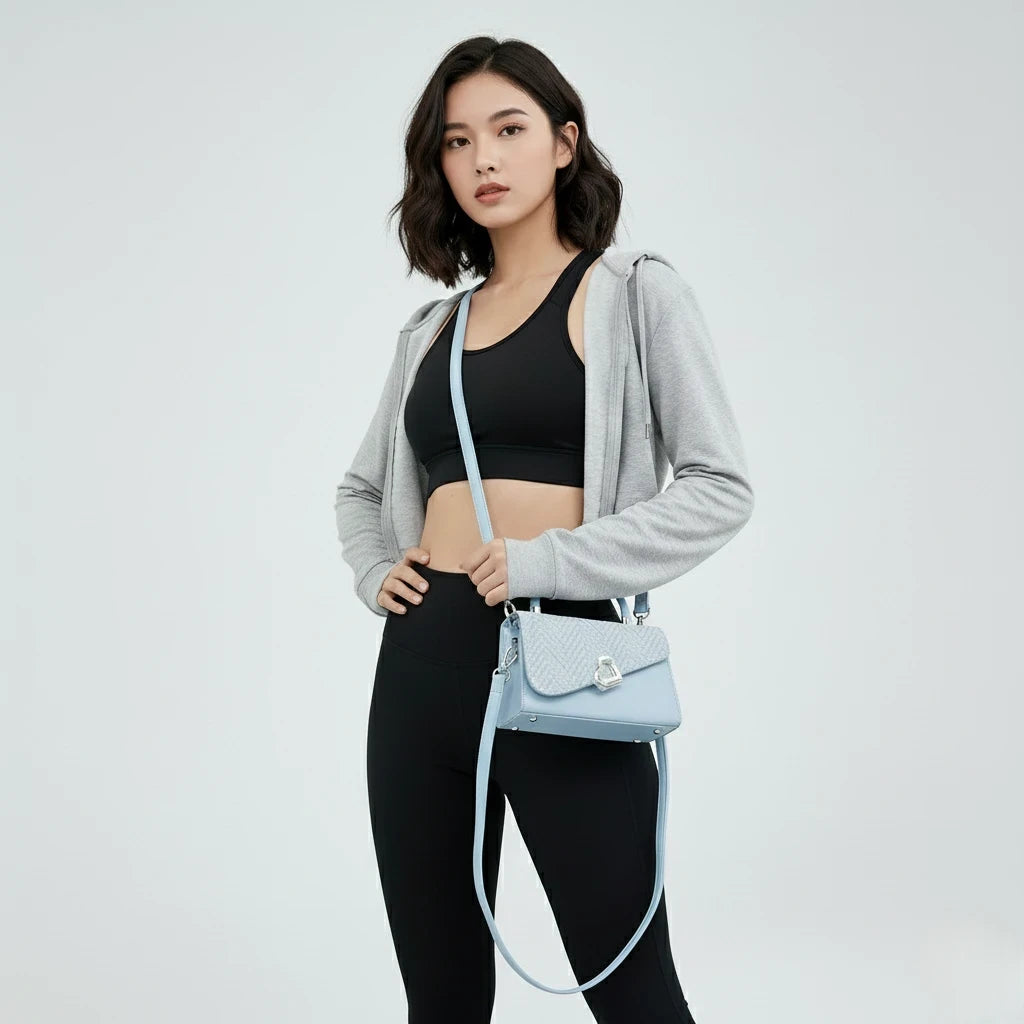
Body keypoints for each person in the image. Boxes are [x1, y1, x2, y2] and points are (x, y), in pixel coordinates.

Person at [334, 35, 754, 1024]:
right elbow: (359, 489)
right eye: (456, 141)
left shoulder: (635, 293)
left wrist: (549, 561)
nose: (483, 158)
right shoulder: (429, 332)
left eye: (509, 130)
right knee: (440, 1001)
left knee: (633, 992)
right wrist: (374, 568)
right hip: (420, 669)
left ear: (564, 143)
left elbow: (718, 486)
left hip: (566, 658)